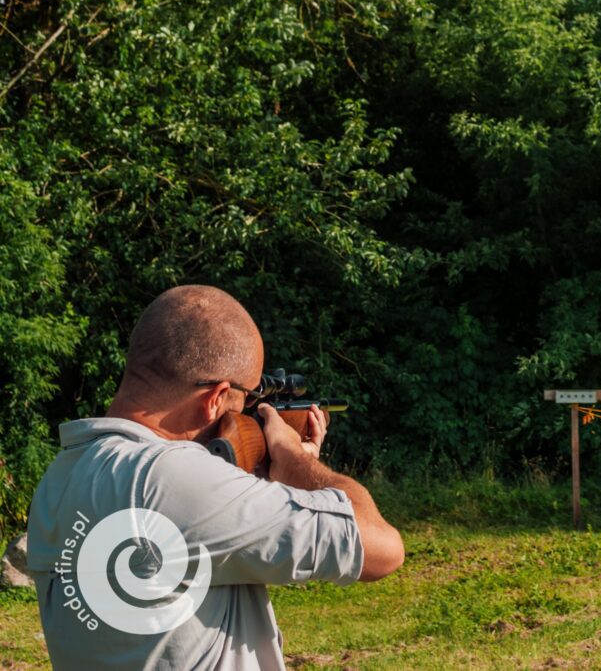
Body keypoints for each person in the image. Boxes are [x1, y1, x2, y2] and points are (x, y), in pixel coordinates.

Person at [26, 285, 403, 670]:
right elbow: (381, 549)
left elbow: (191, 547)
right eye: (240, 406)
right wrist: (292, 458)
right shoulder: (174, 478)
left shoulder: (60, 478)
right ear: (214, 399)